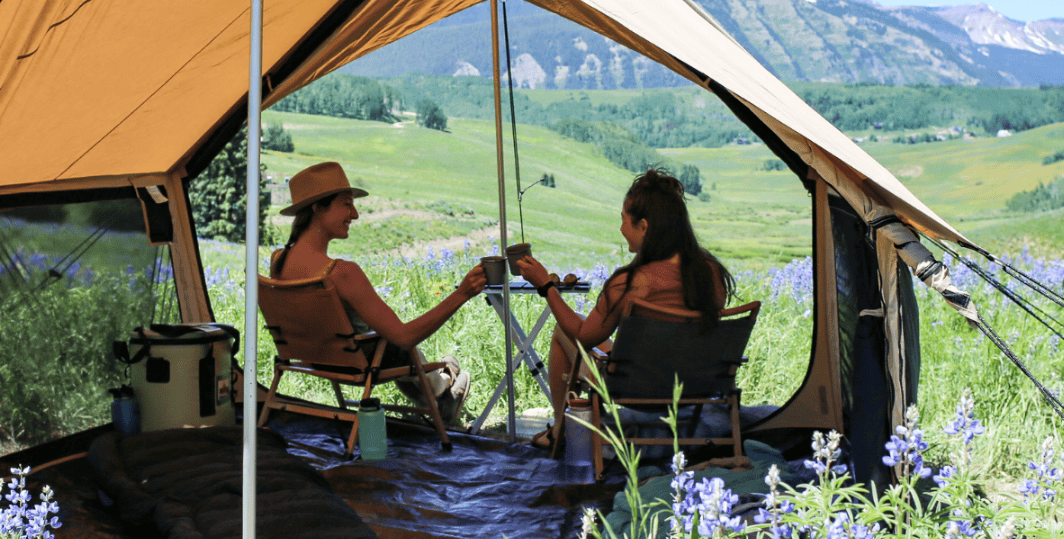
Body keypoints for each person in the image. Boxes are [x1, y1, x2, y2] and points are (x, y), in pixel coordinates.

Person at [517, 167, 734, 447]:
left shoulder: (631, 282)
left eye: (624, 220)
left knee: (562, 331)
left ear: (643, 227)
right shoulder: (711, 274)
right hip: (697, 384)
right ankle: (562, 429)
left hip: (638, 388)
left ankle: (561, 430)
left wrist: (546, 286)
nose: (621, 229)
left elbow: (583, 336)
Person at [271, 161, 487, 422]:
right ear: (317, 207)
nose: (355, 215)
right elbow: (405, 336)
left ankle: (444, 380)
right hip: (357, 362)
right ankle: (446, 383)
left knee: (393, 348)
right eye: (347, 204)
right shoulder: (341, 273)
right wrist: (462, 293)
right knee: (400, 349)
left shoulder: (278, 260)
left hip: (312, 358)